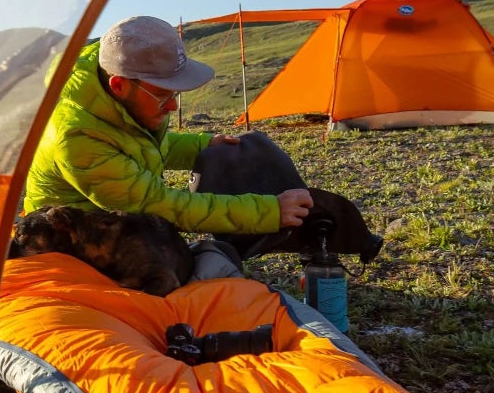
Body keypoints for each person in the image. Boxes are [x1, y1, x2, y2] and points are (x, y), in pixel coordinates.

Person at [24, 16, 314, 237]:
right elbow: (160, 206)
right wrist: (267, 212)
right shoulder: (76, 137)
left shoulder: (113, 103)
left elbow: (144, 147)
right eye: (163, 95)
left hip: (113, 215)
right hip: (69, 233)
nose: (174, 106)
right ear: (119, 85)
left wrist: (204, 144)